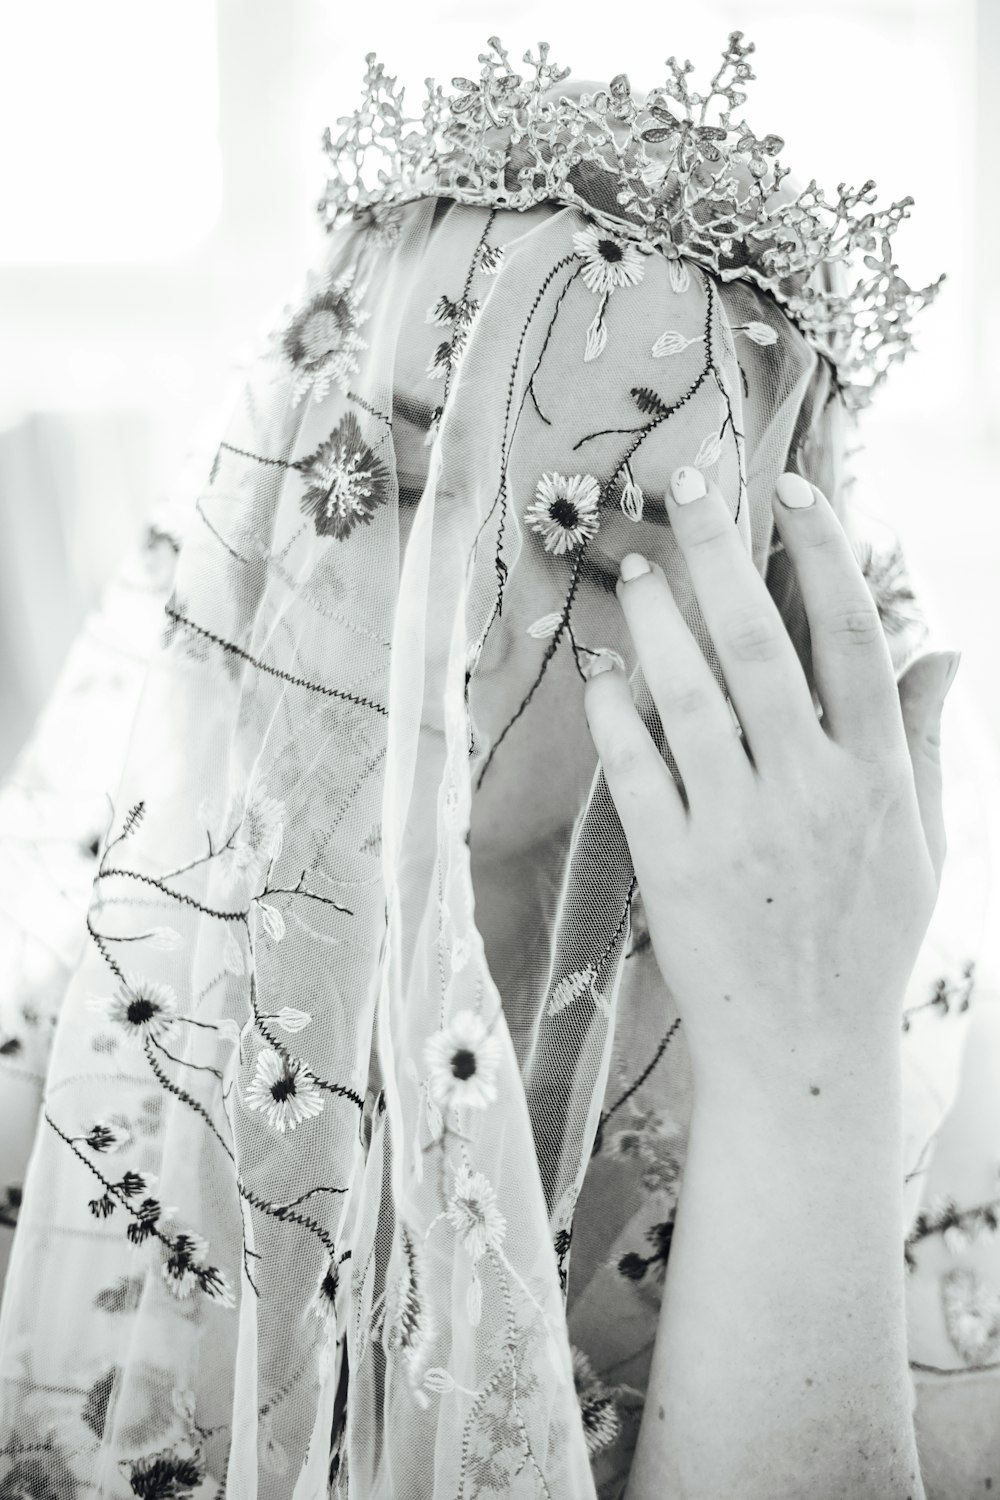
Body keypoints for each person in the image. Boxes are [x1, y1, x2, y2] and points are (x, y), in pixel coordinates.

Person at [1, 31, 999, 1499]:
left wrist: (812, 1074)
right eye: (404, 485)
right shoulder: (58, 1058)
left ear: (770, 606)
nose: (459, 626)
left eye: (605, 542)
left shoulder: (924, 1095)